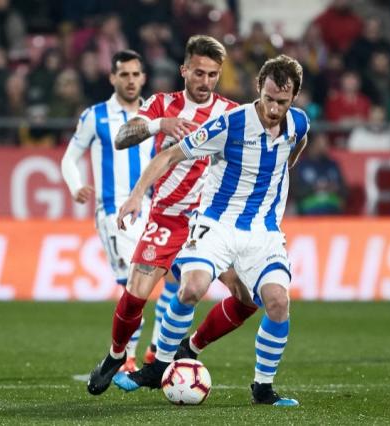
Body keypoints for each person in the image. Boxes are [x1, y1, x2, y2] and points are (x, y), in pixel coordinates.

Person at [113, 54, 310, 407]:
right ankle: (158, 365)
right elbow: (170, 155)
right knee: (192, 287)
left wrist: (287, 165)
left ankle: (262, 388)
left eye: (282, 101)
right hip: (216, 224)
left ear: (294, 98)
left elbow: (298, 143)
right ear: (258, 89)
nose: (274, 109)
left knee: (277, 303)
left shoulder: (298, 123)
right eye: (268, 99)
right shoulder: (230, 123)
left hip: (263, 233)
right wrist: (136, 195)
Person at [86, 36, 258, 396]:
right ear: (184, 70)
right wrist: (159, 125)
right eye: (198, 72)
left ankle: (188, 349)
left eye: (213, 74)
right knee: (135, 296)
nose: (205, 81)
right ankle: (117, 355)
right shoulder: (163, 103)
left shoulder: (231, 114)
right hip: (166, 218)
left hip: (209, 224)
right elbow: (121, 137)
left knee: (247, 298)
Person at [61, 50, 153, 371]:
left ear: (143, 77)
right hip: (114, 214)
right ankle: (126, 357)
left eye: (135, 74)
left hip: (152, 210)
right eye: (123, 74)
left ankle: (155, 351)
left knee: (176, 280)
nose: (130, 80)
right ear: (112, 78)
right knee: (132, 283)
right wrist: (75, 186)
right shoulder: (95, 116)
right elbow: (69, 158)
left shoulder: (153, 114)